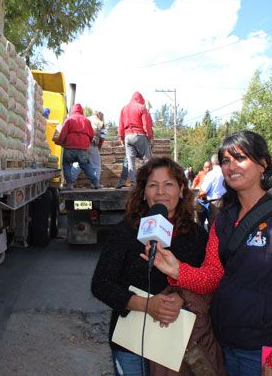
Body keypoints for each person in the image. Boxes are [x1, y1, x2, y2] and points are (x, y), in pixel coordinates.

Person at [144, 131, 272, 376]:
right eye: (225, 161)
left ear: (263, 163)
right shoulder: (224, 219)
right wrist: (177, 270)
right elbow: (213, 277)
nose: (231, 166)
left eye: (240, 158)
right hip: (224, 345)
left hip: (265, 353)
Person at [91, 157, 224, 376]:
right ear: (143, 192)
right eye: (153, 185)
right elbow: (101, 284)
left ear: (182, 189)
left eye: (169, 184)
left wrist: (181, 298)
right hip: (130, 344)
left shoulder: (197, 235)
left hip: (175, 345)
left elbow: (207, 282)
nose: (161, 192)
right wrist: (146, 304)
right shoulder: (125, 231)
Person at [55, 103, 99, 190]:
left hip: (70, 147)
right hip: (82, 148)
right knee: (86, 166)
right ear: (81, 111)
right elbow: (91, 134)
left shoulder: (69, 119)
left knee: (66, 164)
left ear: (73, 111)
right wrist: (86, 144)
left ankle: (69, 184)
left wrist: (59, 142)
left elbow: (63, 133)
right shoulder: (86, 120)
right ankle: (96, 183)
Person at [119, 92, 154, 187]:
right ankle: (146, 183)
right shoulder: (142, 108)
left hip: (128, 137)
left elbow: (121, 125)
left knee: (130, 163)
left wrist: (121, 138)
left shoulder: (124, 108)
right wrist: (150, 137)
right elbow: (146, 124)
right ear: (140, 99)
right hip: (140, 135)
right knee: (147, 161)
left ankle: (134, 184)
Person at [198, 155, 226, 227]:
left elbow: (203, 191)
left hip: (215, 203)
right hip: (227, 200)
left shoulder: (211, 174)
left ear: (212, 163)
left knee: (214, 226)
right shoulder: (226, 171)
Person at [87, 111, 106, 187]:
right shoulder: (100, 122)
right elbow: (102, 137)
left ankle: (70, 182)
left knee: (79, 164)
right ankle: (95, 183)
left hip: (82, 144)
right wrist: (99, 147)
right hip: (92, 144)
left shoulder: (86, 119)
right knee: (97, 165)